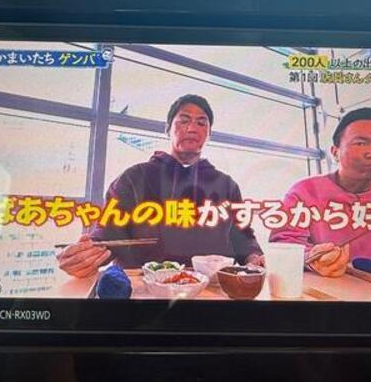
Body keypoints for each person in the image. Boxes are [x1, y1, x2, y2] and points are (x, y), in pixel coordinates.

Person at [58, 94, 264, 278]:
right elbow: (110, 232)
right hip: (145, 290)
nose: (192, 128)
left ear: (209, 134)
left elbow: (242, 237)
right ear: (167, 129)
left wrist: (254, 257)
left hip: (214, 289)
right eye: (184, 120)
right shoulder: (134, 178)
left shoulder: (226, 185)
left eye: (202, 123)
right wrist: (87, 255)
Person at [270, 108, 371, 277]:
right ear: (335, 152)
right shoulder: (304, 192)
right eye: (361, 143)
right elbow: (285, 245)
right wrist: (312, 257)